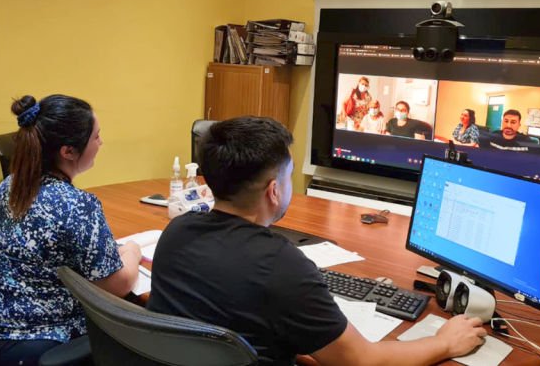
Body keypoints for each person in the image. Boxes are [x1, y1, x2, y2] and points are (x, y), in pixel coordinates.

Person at [148, 116, 486, 366]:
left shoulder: (177, 232)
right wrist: (444, 343)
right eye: (289, 174)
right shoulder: (280, 265)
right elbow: (361, 360)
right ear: (274, 190)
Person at [0, 95, 142, 366]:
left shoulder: (9, 185)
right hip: (45, 338)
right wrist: (132, 252)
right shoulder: (78, 206)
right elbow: (118, 285)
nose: (101, 143)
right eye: (96, 137)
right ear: (68, 151)